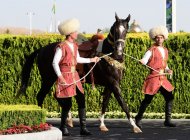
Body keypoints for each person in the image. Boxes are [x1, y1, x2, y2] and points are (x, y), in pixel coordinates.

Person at [52, 18, 100, 136]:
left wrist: (91, 59)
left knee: (81, 100)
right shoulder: (61, 46)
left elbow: (77, 59)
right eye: (75, 31)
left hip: (75, 76)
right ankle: (63, 127)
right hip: (65, 76)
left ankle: (83, 128)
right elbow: (54, 62)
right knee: (67, 104)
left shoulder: (74, 45)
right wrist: (60, 77)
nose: (77, 33)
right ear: (70, 34)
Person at [135, 26, 176, 128]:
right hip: (153, 78)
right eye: (157, 37)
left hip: (163, 78)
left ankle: (167, 121)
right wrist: (142, 61)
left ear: (164, 38)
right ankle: (138, 118)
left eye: (161, 37)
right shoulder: (151, 50)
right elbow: (145, 60)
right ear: (154, 38)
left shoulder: (165, 50)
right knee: (148, 99)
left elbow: (164, 65)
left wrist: (168, 70)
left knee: (170, 97)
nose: (159, 39)